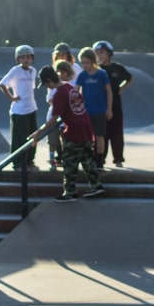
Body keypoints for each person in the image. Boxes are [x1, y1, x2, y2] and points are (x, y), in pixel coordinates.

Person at [32, 64, 104, 202]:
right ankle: (96, 185)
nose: (47, 87)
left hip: (74, 130)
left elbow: (54, 118)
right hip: (86, 127)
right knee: (87, 158)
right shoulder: (71, 88)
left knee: (69, 162)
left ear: (49, 80)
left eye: (46, 84)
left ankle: (70, 191)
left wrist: (39, 132)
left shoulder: (59, 94)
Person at [0, 44, 39, 170]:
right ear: (18, 59)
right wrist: (11, 97)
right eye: (23, 58)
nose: (26, 60)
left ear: (32, 58)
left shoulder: (33, 71)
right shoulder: (15, 71)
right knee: (19, 138)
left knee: (33, 136)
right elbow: (2, 84)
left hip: (32, 107)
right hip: (19, 110)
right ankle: (18, 162)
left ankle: (29, 160)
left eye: (28, 57)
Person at [94, 40, 133, 167]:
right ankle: (100, 159)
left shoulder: (117, 68)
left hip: (116, 106)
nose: (100, 55)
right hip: (100, 107)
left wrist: (122, 88)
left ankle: (118, 159)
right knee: (101, 134)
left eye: (102, 52)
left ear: (109, 53)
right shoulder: (96, 70)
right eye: (97, 53)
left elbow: (130, 78)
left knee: (116, 134)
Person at [75, 46, 113, 170]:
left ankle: (100, 159)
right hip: (86, 111)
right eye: (82, 63)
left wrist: (109, 109)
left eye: (86, 62)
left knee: (99, 136)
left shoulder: (101, 74)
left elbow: (109, 91)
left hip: (100, 110)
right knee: (86, 137)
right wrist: (76, 107)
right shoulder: (82, 75)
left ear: (92, 61)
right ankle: (88, 158)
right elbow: (76, 92)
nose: (84, 65)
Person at [44, 43, 81, 168]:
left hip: (70, 110)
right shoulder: (52, 69)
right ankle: (52, 158)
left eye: (63, 54)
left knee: (66, 136)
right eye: (59, 54)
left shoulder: (75, 68)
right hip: (55, 109)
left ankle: (68, 158)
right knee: (53, 136)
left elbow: (80, 84)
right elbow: (49, 95)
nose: (61, 56)